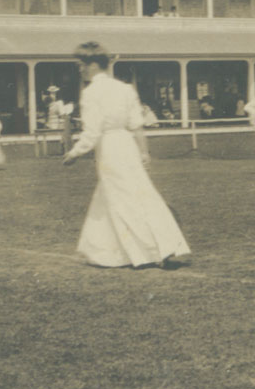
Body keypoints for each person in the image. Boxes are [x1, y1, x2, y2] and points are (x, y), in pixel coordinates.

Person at [63, 42, 189, 268]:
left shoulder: (91, 93)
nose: (79, 70)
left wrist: (74, 152)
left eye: (81, 65)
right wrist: (144, 152)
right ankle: (111, 251)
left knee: (123, 199)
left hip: (110, 148)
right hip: (127, 145)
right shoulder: (125, 89)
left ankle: (154, 250)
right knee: (136, 194)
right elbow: (137, 125)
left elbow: (92, 132)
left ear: (93, 65)